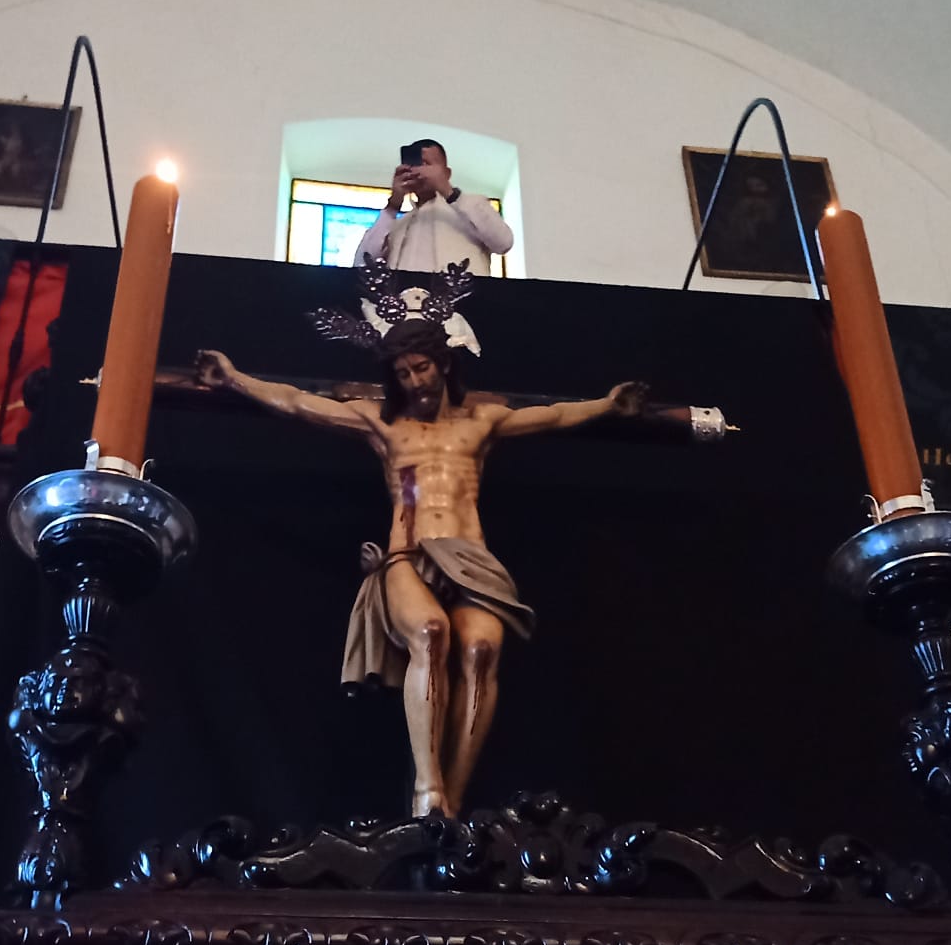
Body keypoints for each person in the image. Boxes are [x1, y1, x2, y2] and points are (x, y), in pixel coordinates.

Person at [195, 270, 727, 818]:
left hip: (471, 557)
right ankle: (426, 789)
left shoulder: (481, 422)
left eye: (421, 368)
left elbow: (554, 416)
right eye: (403, 373)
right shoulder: (384, 427)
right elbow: (296, 402)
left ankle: (453, 797)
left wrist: (607, 406)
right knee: (430, 632)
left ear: (444, 364)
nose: (414, 382)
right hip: (408, 553)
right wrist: (234, 379)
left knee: (481, 649)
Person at [355, 139, 513, 276]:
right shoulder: (397, 225)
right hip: (403, 300)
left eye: (427, 164)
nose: (420, 170)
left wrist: (448, 191)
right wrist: (393, 205)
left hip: (460, 299)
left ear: (447, 173)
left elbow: (503, 242)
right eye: (414, 164)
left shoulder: (472, 206)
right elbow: (361, 264)